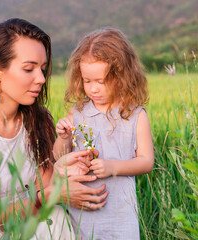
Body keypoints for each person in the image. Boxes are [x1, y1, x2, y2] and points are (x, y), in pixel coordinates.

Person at [0, 18, 108, 238]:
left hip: (24, 222)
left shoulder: (39, 119)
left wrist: (62, 170)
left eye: (43, 69)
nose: (40, 79)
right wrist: (53, 194)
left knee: (56, 216)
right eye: (29, 69)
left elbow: (44, 186)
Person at [53, 28, 154, 239]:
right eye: (87, 81)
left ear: (123, 76)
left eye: (101, 81)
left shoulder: (135, 115)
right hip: (83, 209)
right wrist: (64, 137)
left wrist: (112, 167)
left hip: (120, 212)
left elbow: (146, 162)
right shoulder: (78, 112)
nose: (93, 89)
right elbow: (58, 157)